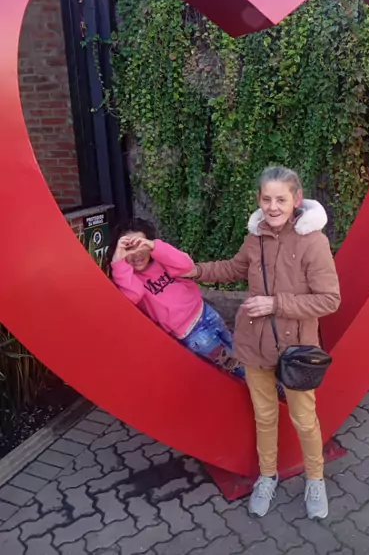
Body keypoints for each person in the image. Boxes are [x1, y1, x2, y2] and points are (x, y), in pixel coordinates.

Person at [184, 166, 340, 519]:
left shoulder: (313, 241)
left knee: (304, 419)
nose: (273, 207)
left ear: (296, 200)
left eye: (281, 199)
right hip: (254, 346)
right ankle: (267, 476)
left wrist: (275, 304)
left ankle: (315, 479)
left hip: (297, 352)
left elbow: (329, 300)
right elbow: (232, 268)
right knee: (265, 416)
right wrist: (194, 270)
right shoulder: (254, 239)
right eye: (266, 199)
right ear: (258, 199)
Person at [106, 218, 244, 379]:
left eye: (140, 245)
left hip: (205, 312)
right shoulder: (129, 277)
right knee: (232, 365)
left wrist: (154, 246)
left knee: (238, 350)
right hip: (192, 334)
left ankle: (260, 382)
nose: (136, 253)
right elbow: (134, 295)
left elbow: (186, 265)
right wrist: (118, 262)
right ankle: (261, 388)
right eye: (129, 248)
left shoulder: (161, 260)